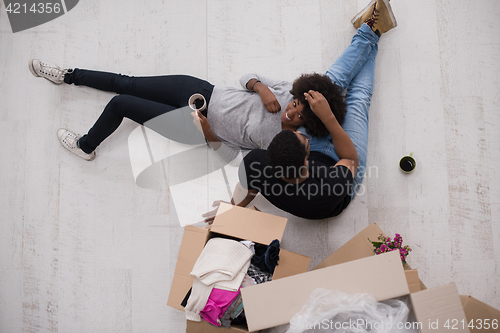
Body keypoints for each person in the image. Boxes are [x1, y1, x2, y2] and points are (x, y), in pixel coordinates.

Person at [205, 0, 397, 221]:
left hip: (311, 167)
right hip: (342, 169)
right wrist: (328, 117)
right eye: (303, 138)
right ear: (306, 159)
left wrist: (230, 209)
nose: (302, 132)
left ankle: (371, 30)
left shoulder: (256, 163)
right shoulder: (331, 187)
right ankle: (373, 30)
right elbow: (350, 159)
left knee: (325, 88)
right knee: (358, 100)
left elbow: (246, 191)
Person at [29, 61, 345, 162]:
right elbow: (244, 76)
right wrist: (259, 88)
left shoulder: (278, 143)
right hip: (199, 91)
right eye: (295, 104)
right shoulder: (282, 89)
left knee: (120, 104)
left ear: (309, 125)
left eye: (302, 115)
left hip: (191, 126)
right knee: (127, 83)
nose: (292, 112)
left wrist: (207, 130)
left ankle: (86, 146)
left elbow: (229, 155)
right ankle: (68, 76)